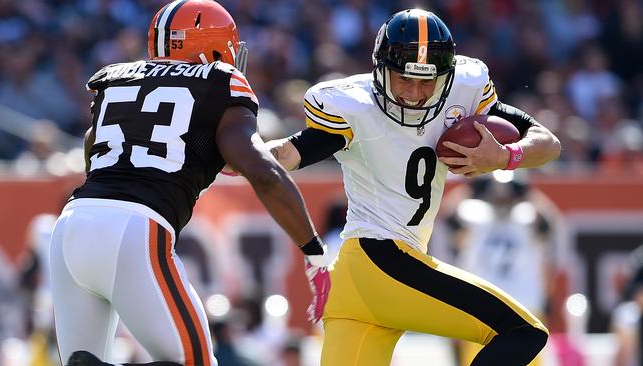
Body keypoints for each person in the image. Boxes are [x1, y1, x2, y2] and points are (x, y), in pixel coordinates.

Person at [264, 8, 561, 366]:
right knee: (523, 332)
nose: (415, 94)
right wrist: (244, 154)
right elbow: (292, 151)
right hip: (381, 262)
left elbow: (548, 143)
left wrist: (505, 157)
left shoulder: (463, 92)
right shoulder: (355, 106)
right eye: (404, 79)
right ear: (381, 70)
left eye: (426, 82)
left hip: (356, 288)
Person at [48, 1, 329, 365]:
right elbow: (262, 171)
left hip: (72, 224)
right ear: (212, 46)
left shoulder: (115, 77)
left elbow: (93, 145)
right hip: (136, 228)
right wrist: (314, 252)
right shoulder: (221, 83)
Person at [443, 173, 558, 366]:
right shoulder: (478, 214)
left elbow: (448, 214)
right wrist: (528, 192)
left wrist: (472, 188)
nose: (501, 197)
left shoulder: (524, 216)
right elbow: (448, 217)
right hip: (494, 307)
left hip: (502, 306)